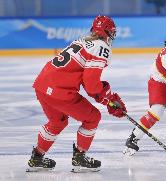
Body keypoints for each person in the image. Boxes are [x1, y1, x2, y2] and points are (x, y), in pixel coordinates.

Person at [27, 15, 127, 172]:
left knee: (57, 122)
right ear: (107, 32)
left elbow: (87, 82)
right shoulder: (101, 47)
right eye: (112, 32)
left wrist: (106, 98)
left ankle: (37, 158)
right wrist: (108, 99)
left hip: (42, 85)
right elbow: (92, 86)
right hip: (59, 91)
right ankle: (80, 157)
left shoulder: (81, 41)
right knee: (93, 117)